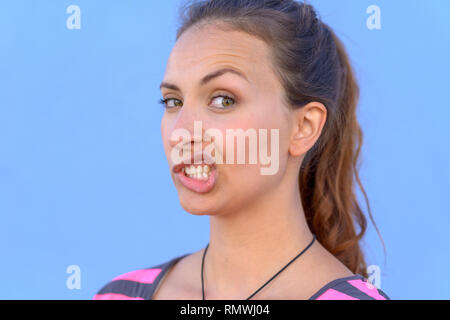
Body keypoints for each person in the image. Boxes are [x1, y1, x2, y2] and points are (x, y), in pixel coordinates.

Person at [93, 0, 390, 300]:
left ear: (304, 127)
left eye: (223, 100)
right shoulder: (120, 295)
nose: (181, 132)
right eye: (173, 101)